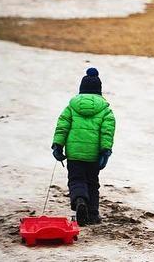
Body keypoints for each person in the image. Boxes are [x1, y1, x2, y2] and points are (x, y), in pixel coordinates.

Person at [51, 67, 116, 225]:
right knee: (93, 183)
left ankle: (80, 200)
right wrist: (105, 151)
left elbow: (62, 127)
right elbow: (107, 132)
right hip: (93, 155)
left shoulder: (71, 108)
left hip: (74, 154)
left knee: (76, 180)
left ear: (81, 90)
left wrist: (57, 145)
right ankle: (93, 214)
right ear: (99, 91)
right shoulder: (106, 111)